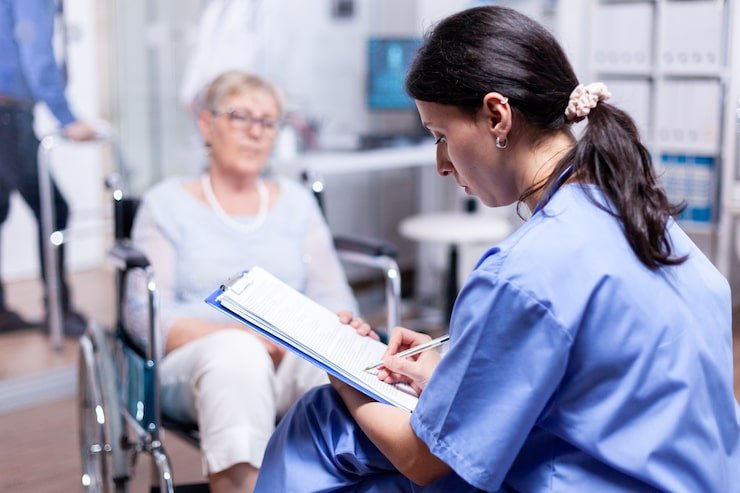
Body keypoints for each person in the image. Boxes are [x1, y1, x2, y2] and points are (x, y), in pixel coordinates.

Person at [254, 6, 740, 492]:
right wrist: (456, 370)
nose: (442, 164)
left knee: (323, 422)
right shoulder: (650, 224)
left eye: (442, 136)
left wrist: (341, 371)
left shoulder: (524, 270)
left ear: (496, 115)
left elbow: (421, 459)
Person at [127, 71, 365, 493]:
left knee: (334, 366)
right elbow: (144, 317)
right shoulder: (166, 204)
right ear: (206, 124)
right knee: (237, 354)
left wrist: (334, 334)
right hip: (198, 358)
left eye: (268, 121)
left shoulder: (296, 202)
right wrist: (239, 334)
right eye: (241, 117)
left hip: (288, 352)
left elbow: (333, 295)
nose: (256, 132)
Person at [0, 0, 95, 335]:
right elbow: (34, 47)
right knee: (54, 209)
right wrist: (66, 117)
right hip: (7, 114)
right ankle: (59, 310)